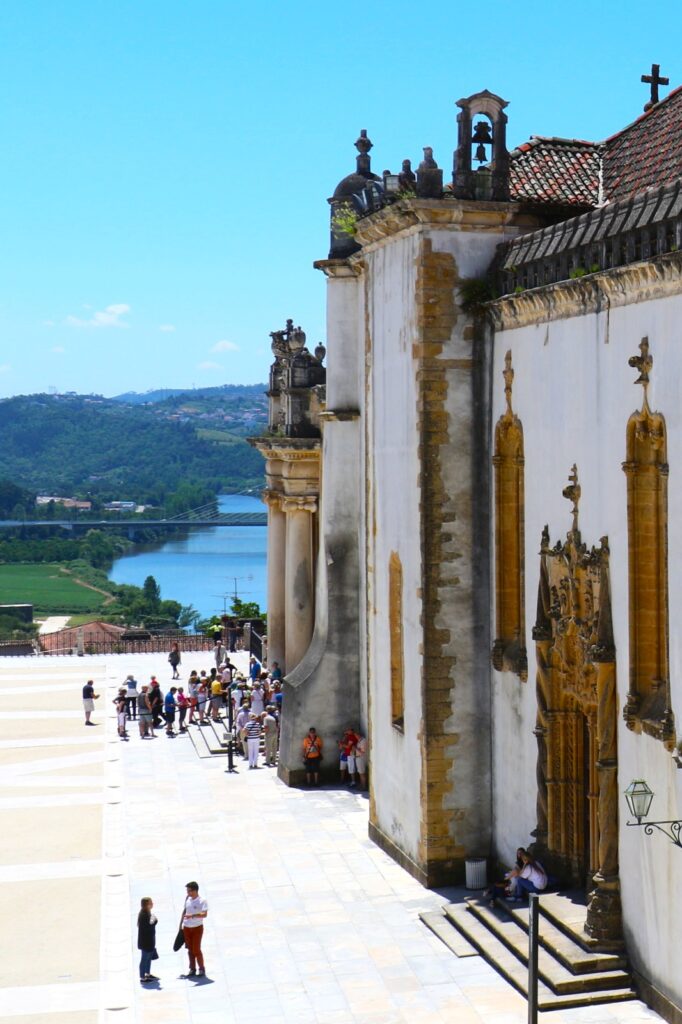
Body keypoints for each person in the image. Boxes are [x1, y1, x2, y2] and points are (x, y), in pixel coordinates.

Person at [182, 881, 208, 977]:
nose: (188, 893)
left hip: (197, 928)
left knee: (196, 949)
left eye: (189, 891)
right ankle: (192, 969)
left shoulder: (202, 901)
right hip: (186, 927)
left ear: (195, 891)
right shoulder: (187, 899)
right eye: (187, 891)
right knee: (189, 949)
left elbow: (204, 914)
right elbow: (185, 912)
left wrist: (192, 916)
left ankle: (201, 969)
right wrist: (181, 925)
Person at [137, 897, 158, 983]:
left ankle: (147, 974)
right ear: (146, 905)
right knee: (144, 959)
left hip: (150, 941)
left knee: (148, 958)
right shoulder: (144, 915)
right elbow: (150, 925)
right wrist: (154, 920)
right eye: (150, 903)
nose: (152, 904)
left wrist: (154, 919)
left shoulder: (147, 913)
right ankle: (142, 977)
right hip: (145, 942)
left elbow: (152, 921)